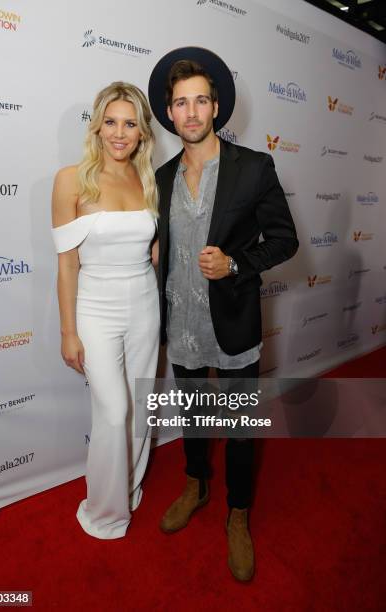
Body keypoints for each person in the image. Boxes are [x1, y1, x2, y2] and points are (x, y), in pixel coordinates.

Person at [148, 48, 299, 580]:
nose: (190, 113)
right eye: (180, 103)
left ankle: (238, 512)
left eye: (200, 102)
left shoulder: (254, 167)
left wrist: (235, 263)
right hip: (181, 324)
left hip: (233, 324)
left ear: (216, 108)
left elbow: (285, 241)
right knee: (193, 415)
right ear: (169, 112)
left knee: (236, 427)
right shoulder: (161, 176)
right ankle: (195, 482)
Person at [51, 82, 159, 539]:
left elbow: (153, 247)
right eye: (111, 122)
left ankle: (129, 488)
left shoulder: (148, 179)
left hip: (145, 307)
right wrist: (68, 332)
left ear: (141, 132)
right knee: (114, 411)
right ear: (97, 127)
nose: (120, 133)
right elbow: (67, 262)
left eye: (130, 123)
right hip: (95, 308)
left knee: (140, 405)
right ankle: (104, 512)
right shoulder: (71, 179)